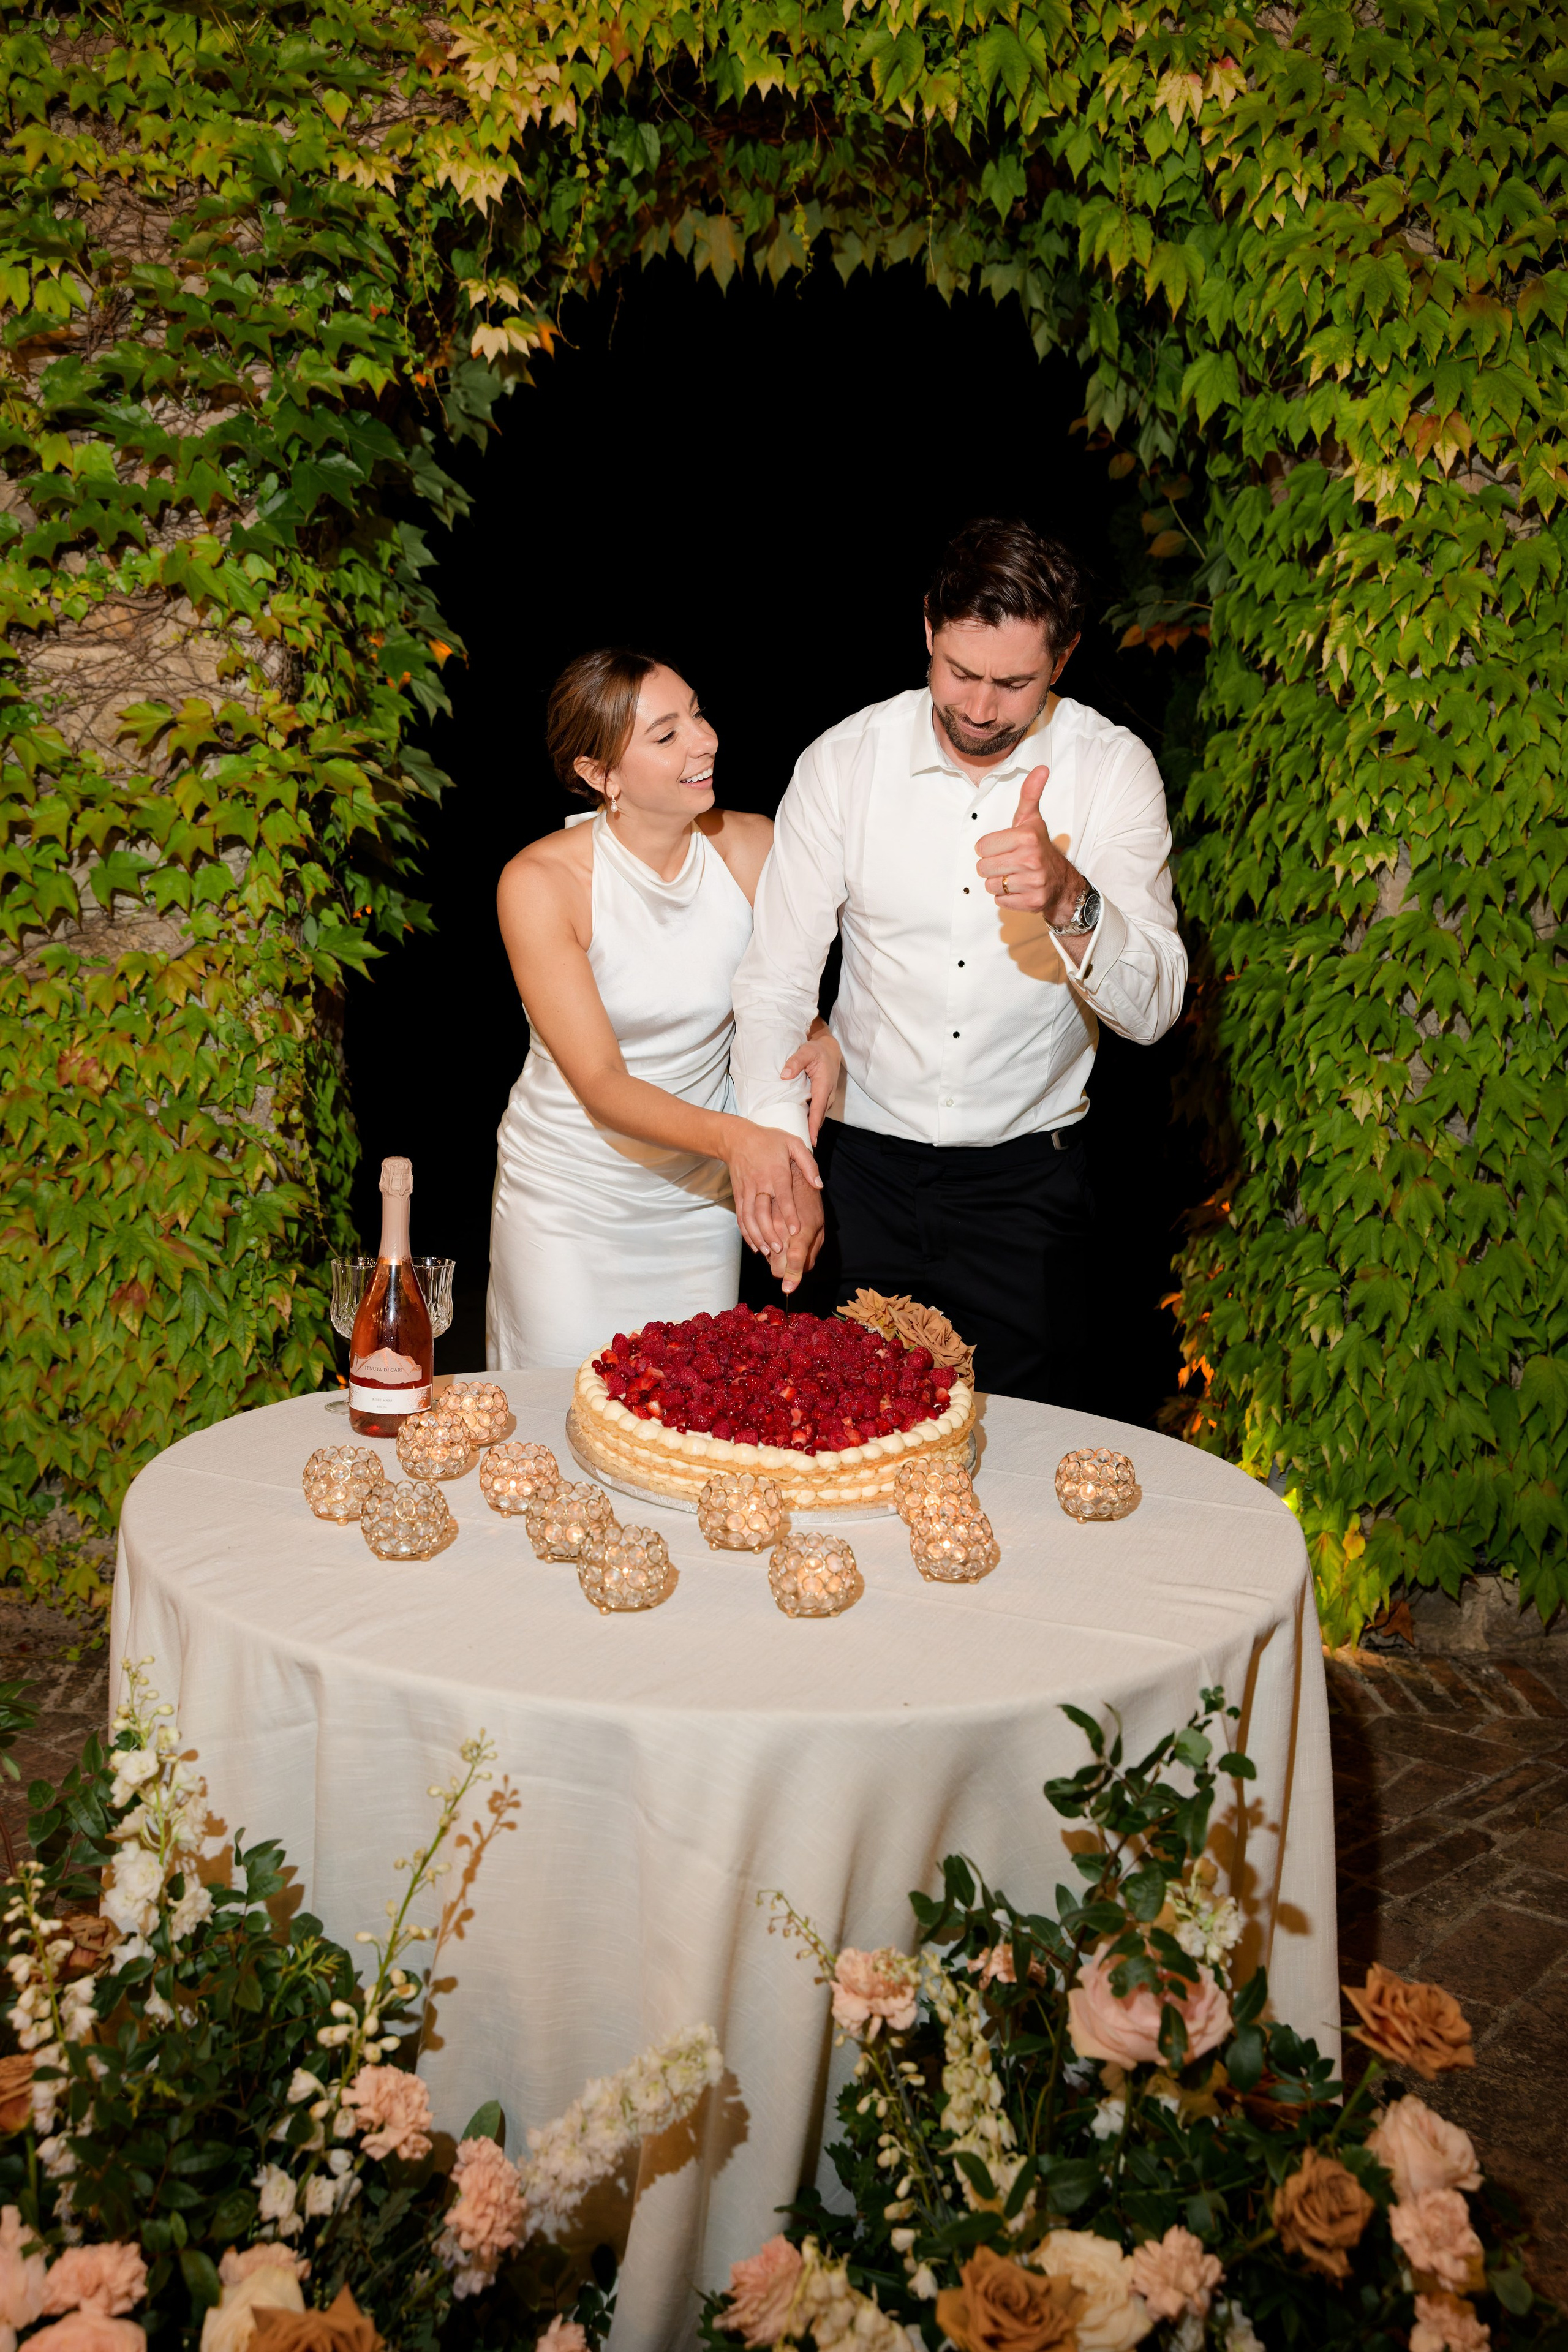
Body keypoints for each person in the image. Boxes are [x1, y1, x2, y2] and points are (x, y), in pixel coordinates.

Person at [729, 518, 1188, 1404]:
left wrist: (1069, 898)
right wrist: (784, 1154)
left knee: (1019, 1472)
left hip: (1028, 1191)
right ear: (928, 631)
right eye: (960, 673)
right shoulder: (843, 761)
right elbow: (778, 978)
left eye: (1013, 684)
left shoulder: (1113, 770)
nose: (979, 708)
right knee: (838, 1448)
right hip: (858, 1173)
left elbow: (1156, 1008)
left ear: (1063, 659)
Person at [485, 647, 839, 1371]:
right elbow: (602, 1083)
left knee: (685, 1418)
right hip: (569, 1205)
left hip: (699, 1201)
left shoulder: (755, 848)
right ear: (599, 775)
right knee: (559, 1426)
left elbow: (777, 1011)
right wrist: (742, 1144)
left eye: (698, 714)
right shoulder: (540, 881)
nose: (704, 740)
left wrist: (821, 1039)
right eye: (666, 734)